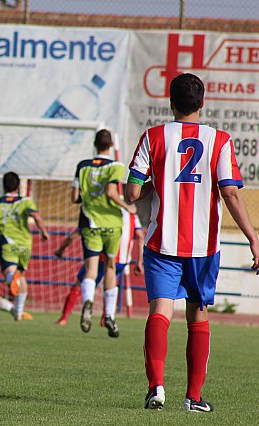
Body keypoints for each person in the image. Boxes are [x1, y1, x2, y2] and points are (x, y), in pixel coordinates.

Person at [126, 73, 259, 412]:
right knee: (197, 317)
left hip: (162, 242)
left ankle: (156, 388)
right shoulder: (220, 140)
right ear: (202, 103)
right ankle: (193, 397)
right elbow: (230, 193)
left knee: (160, 312)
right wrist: (253, 237)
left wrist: (157, 182)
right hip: (204, 246)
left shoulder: (153, 136)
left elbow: (132, 192)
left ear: (170, 103)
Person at [72, 129, 136, 338]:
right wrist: (127, 206)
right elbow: (111, 192)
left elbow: (75, 197)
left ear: (95, 144)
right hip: (111, 224)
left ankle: (88, 300)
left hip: (89, 222)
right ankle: (109, 315)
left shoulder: (82, 166)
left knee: (91, 269)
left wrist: (90, 197)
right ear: (110, 145)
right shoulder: (116, 166)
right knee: (110, 267)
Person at [55, 209, 144, 326]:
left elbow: (74, 234)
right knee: (110, 287)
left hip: (102, 258)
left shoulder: (103, 210)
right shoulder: (132, 214)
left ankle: (64, 317)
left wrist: (60, 250)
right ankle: (106, 318)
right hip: (122, 260)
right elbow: (140, 236)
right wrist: (139, 261)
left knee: (82, 283)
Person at [0, 172, 50, 321]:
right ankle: (18, 312)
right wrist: (44, 232)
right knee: (21, 276)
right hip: (25, 245)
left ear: (3, 186)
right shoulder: (26, 201)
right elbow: (36, 216)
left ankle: (11, 278)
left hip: (8, 243)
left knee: (10, 273)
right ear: (18, 186)